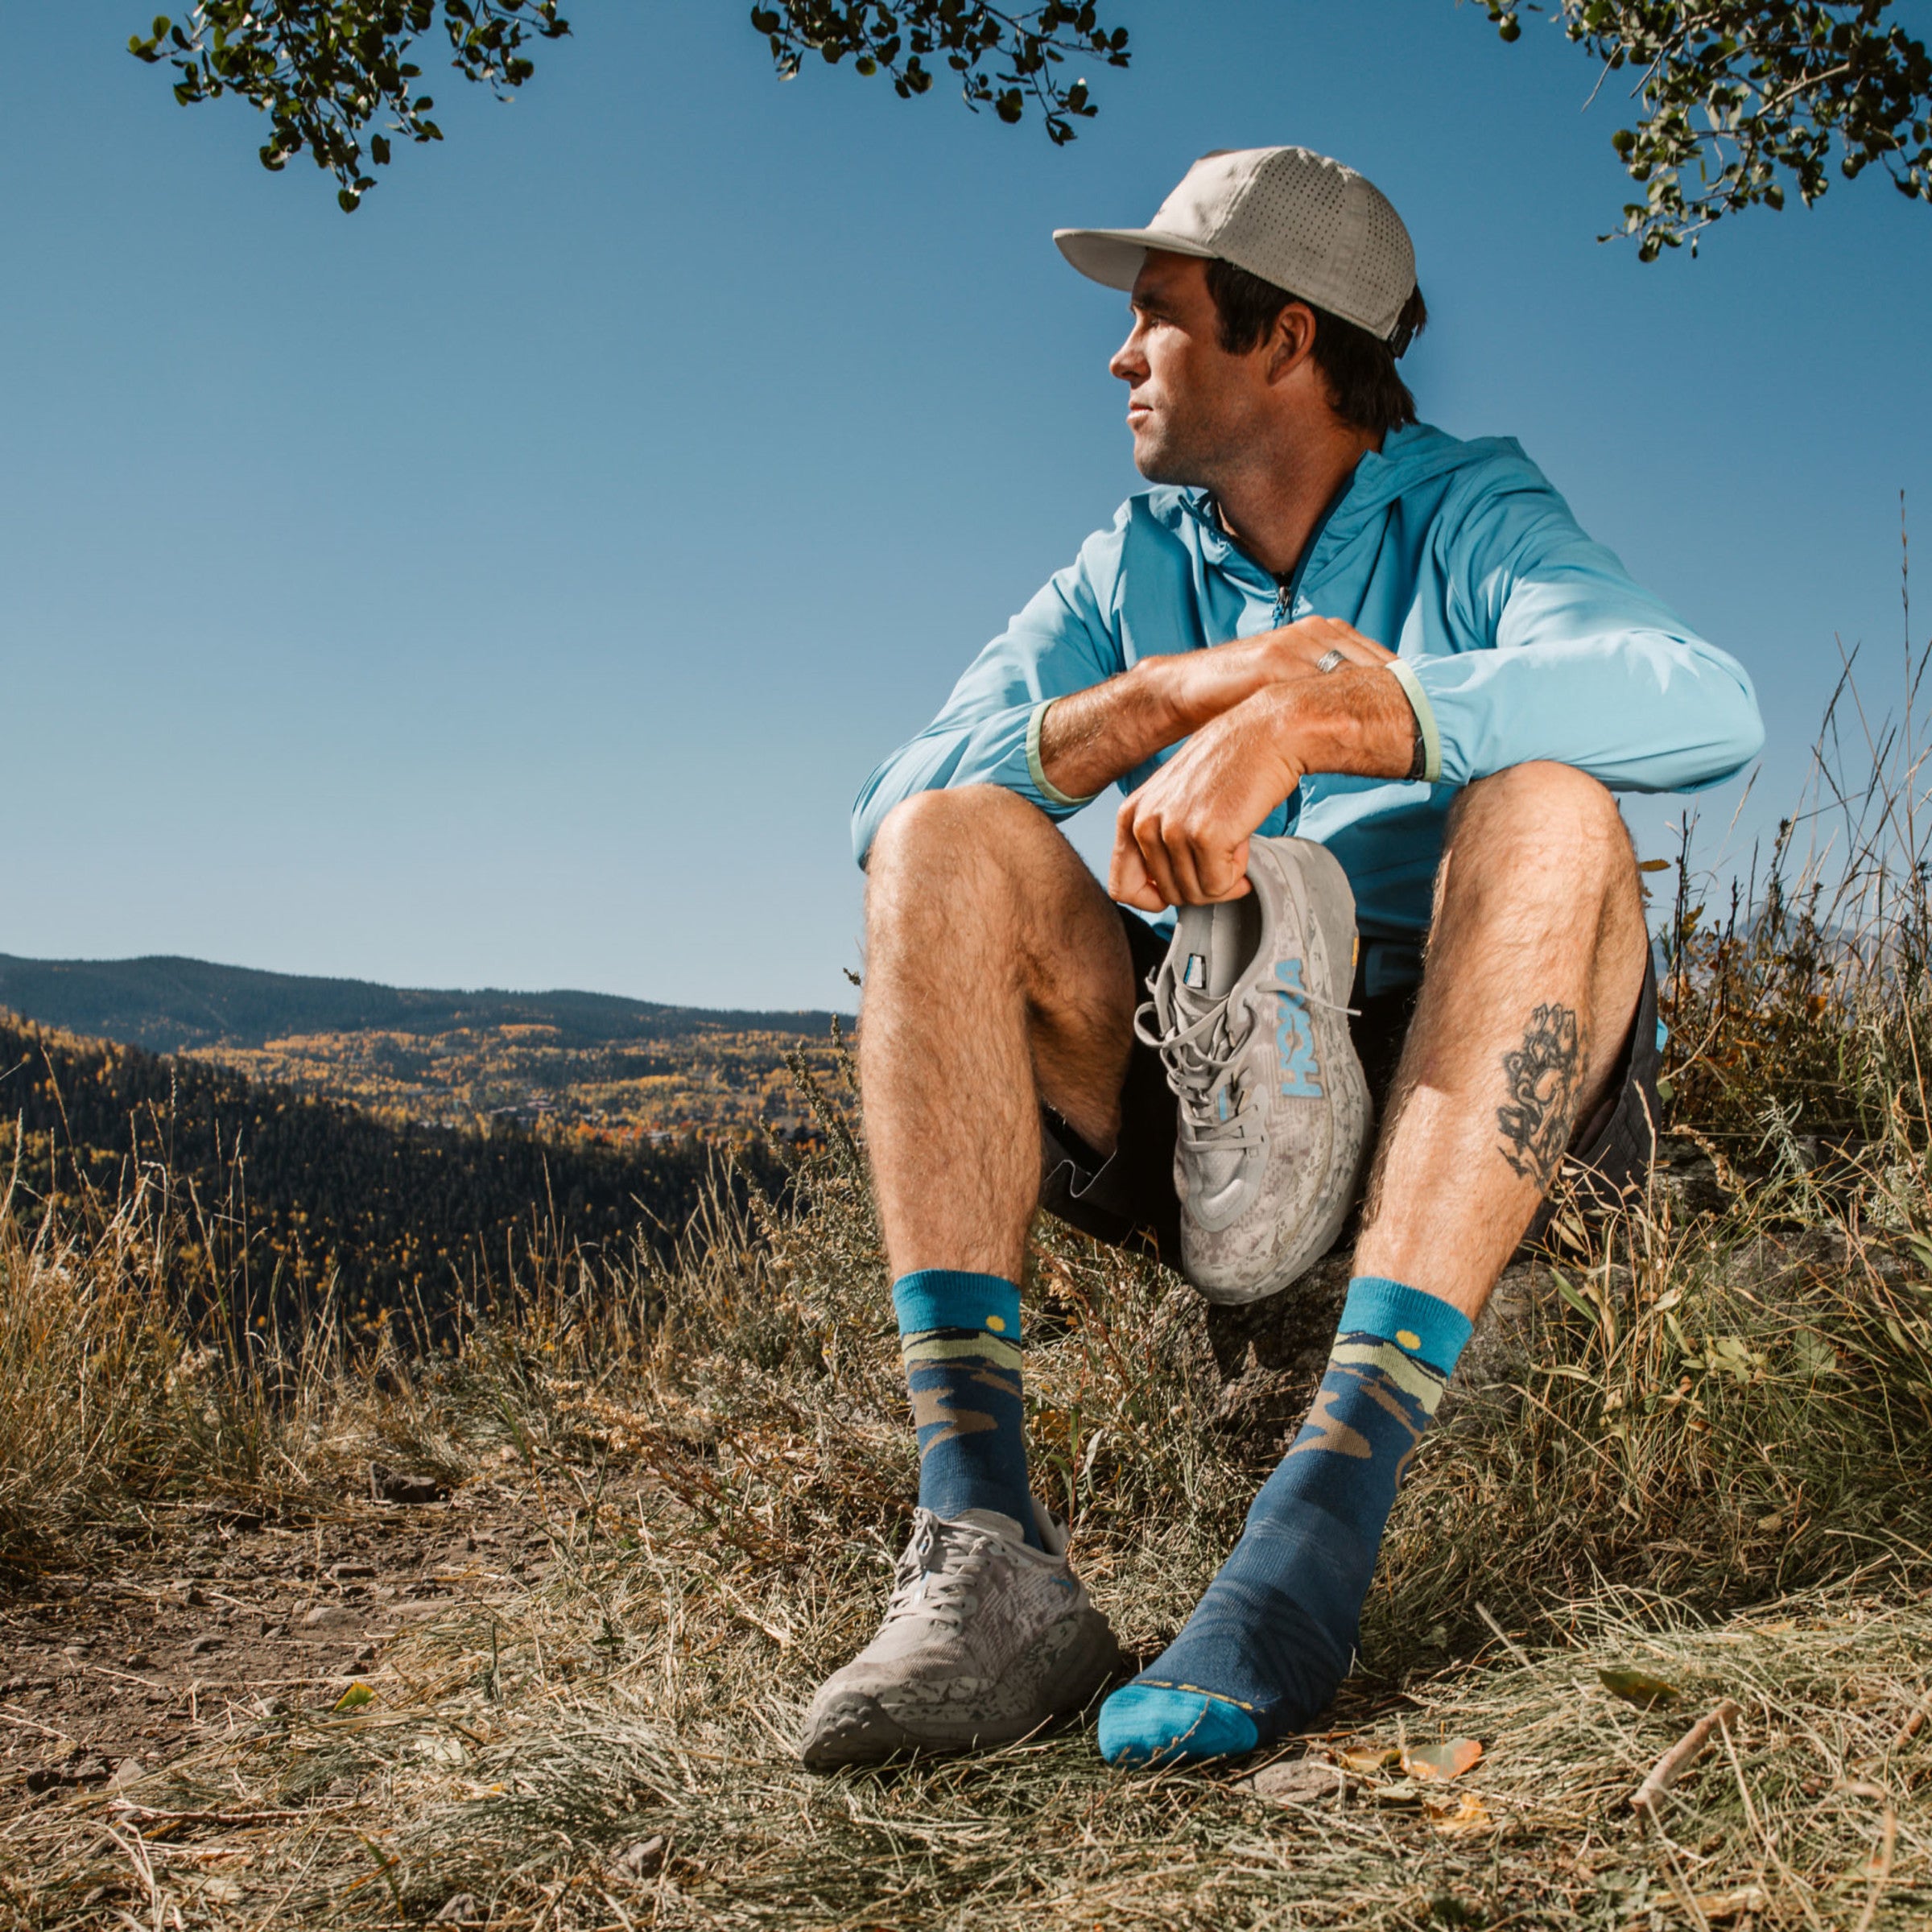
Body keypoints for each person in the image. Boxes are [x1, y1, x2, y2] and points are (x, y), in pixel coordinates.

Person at [800, 146, 1763, 1772]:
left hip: (1457, 1072)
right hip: (1212, 1071)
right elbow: (888, 806)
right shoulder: (1131, 564)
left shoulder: (1468, 509)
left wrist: (1343, 709)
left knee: (1551, 810)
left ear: (1289, 337)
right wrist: (1183, 690)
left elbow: (1701, 697)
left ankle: (1316, 1525)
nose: (1117, 357)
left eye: (1158, 317)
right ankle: (984, 1553)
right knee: (945, 844)